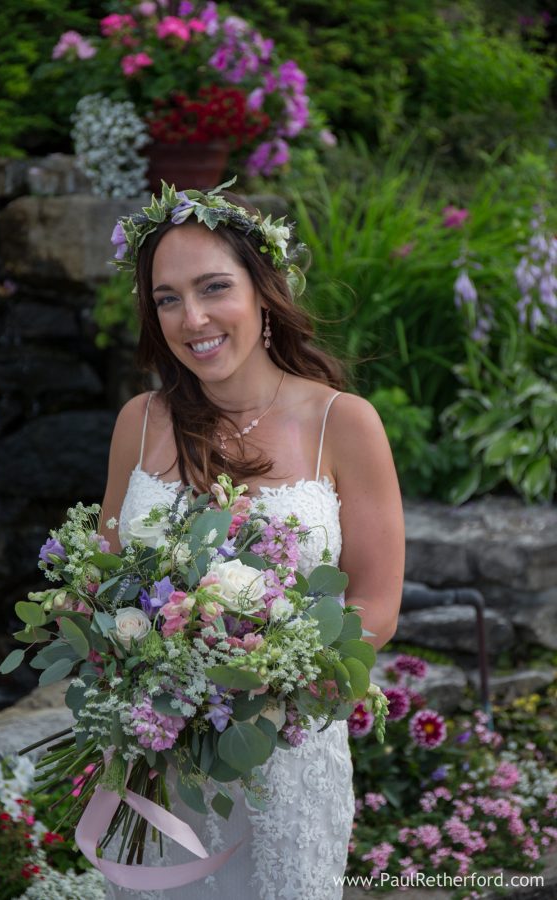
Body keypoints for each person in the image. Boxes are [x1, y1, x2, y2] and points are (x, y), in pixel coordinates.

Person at [99, 181, 405, 899]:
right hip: (154, 754)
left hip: (285, 760)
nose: (192, 318)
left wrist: (270, 671)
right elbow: (103, 583)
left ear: (264, 292)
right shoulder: (140, 422)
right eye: (167, 298)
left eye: (213, 288)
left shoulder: (343, 422)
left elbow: (377, 601)